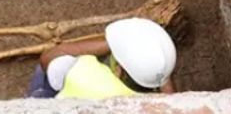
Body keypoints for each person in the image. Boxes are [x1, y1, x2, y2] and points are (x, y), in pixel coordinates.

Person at [26, 18, 177, 100]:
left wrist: (109, 44)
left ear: (119, 70)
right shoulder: (153, 106)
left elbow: (48, 57)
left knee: (45, 73)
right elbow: (172, 100)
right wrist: (160, 71)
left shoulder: (81, 71)